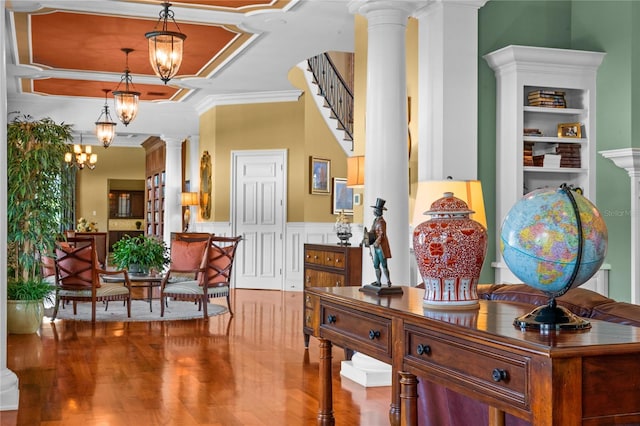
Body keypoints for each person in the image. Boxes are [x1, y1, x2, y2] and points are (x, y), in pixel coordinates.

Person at [366, 198, 392, 287]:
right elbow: (372, 230)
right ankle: (378, 281)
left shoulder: (382, 222)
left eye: (376, 210)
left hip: (381, 247)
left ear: (379, 211)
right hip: (376, 247)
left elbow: (382, 234)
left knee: (384, 265)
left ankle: (388, 281)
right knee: (376, 264)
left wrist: (377, 242)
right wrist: (367, 237)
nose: (374, 211)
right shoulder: (375, 221)